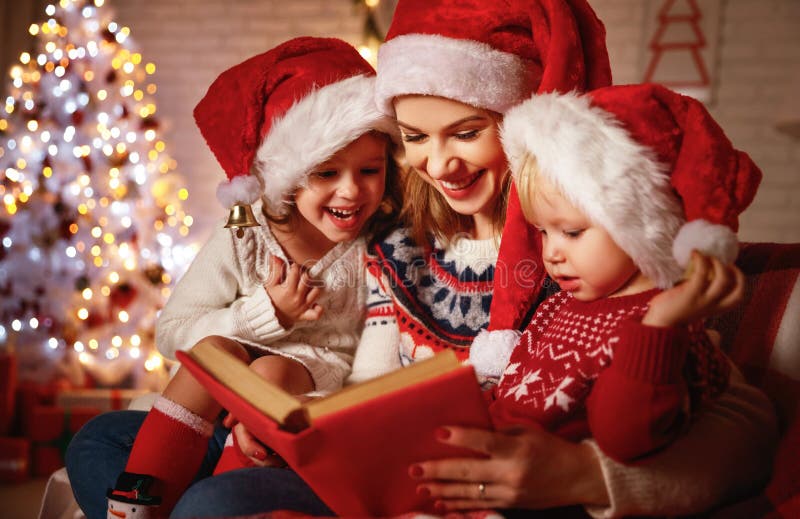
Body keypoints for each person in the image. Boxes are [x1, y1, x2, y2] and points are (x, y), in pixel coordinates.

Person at [69, 2, 776, 518]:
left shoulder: (588, 245)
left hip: (437, 483)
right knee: (102, 438)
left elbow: (744, 417)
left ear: (524, 122)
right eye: (411, 138)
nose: (439, 164)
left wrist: (585, 476)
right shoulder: (396, 227)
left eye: (467, 132)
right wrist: (291, 412)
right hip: (351, 445)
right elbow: (359, 364)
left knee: (209, 503)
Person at [72, 36, 400, 519]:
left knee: (270, 371)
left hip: (302, 408)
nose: (351, 190)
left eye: (369, 170)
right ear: (288, 176)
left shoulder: (379, 248)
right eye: (327, 173)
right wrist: (266, 315)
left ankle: (217, 496)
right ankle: (145, 507)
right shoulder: (246, 236)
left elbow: (373, 373)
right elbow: (171, 334)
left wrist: (296, 410)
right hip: (212, 418)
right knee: (95, 440)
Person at [480, 83, 761, 464]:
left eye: (573, 232)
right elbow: (507, 401)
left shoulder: (668, 330)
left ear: (639, 223)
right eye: (543, 232)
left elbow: (625, 439)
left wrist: (659, 327)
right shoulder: (554, 309)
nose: (551, 253)